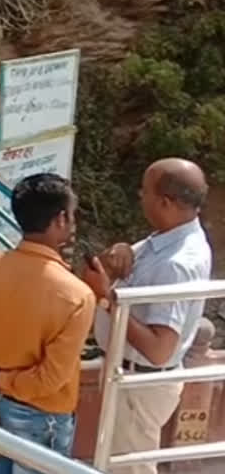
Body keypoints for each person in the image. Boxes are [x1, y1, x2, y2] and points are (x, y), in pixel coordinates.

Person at [0, 173, 96, 474]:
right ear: (59, 220)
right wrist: (3, 381)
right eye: (72, 216)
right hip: (45, 418)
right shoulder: (77, 295)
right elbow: (50, 380)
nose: (73, 223)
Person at [85, 158, 212, 474]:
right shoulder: (163, 242)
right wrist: (118, 252)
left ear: (166, 202)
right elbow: (102, 272)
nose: (140, 197)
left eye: (145, 191)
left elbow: (159, 350)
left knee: (131, 467)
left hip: (139, 383)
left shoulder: (177, 263)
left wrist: (109, 301)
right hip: (126, 376)